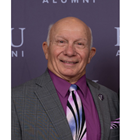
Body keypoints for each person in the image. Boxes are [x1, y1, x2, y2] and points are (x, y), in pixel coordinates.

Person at [12, 17, 119, 140]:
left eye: (79, 44)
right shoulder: (14, 100)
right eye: (61, 42)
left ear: (90, 54)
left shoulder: (112, 99)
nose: (70, 52)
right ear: (46, 49)